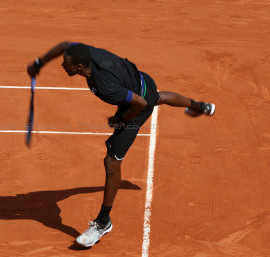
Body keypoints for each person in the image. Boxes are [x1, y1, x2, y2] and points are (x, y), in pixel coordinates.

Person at [27, 41, 215, 247]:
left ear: (79, 68)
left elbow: (141, 104)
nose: (63, 66)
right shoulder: (85, 53)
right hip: (142, 81)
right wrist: (39, 62)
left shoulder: (104, 85)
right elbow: (65, 45)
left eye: (66, 64)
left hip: (137, 105)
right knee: (157, 97)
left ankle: (103, 222)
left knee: (111, 162)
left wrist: (121, 121)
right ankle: (200, 106)